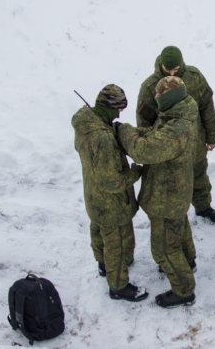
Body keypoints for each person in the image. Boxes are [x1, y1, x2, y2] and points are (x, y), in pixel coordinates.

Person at [118, 76, 198, 308]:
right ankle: (189, 260)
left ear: (169, 98)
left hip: (167, 196)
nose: (154, 98)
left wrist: (124, 132)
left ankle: (184, 290)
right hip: (175, 190)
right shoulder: (177, 115)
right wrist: (137, 131)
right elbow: (155, 135)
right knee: (179, 229)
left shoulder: (177, 128)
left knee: (163, 248)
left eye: (158, 95)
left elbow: (143, 151)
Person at [71, 84, 148, 302]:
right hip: (111, 203)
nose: (119, 114)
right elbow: (111, 181)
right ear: (109, 107)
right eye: (118, 110)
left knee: (98, 230)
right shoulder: (102, 138)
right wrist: (134, 173)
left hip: (93, 196)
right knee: (118, 244)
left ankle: (104, 265)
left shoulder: (85, 124)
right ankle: (119, 286)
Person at [136, 46, 215, 223]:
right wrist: (149, 148)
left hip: (196, 141)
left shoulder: (194, 76)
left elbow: (207, 106)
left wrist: (212, 136)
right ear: (160, 65)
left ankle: (203, 207)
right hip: (168, 148)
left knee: (199, 175)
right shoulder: (150, 86)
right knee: (173, 184)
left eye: (176, 70)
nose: (172, 73)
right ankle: (175, 217)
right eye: (167, 70)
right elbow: (144, 121)